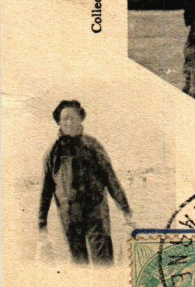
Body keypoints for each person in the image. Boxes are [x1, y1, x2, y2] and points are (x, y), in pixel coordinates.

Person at [39, 100, 134, 265]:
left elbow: (110, 178)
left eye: (73, 118)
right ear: (59, 123)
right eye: (65, 119)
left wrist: (124, 208)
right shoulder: (52, 153)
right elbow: (46, 190)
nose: (69, 122)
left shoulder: (93, 146)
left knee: (103, 262)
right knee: (79, 264)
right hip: (69, 217)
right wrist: (42, 222)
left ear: (80, 120)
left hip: (96, 214)